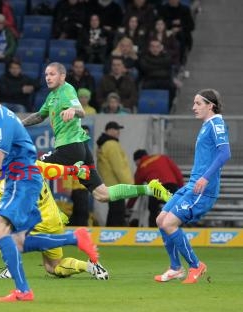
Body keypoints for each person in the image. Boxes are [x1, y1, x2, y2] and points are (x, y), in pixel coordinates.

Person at [0, 75, 98, 302]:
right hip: (19, 180)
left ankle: (25, 289)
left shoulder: (0, 121)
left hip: (22, 180)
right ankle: (73, 240)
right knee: (16, 241)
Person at [21, 62, 170, 207]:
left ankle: (48, 216)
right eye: (46, 74)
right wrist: (19, 124)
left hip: (70, 147)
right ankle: (149, 188)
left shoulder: (66, 90)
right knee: (102, 194)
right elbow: (40, 116)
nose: (48, 77)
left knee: (34, 170)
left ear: (62, 76)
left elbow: (81, 111)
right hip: (81, 148)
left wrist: (73, 111)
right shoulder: (51, 97)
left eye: (52, 74)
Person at [0, 160, 109, 280]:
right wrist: (76, 170)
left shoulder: (9, 185)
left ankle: (11, 267)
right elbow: (59, 169)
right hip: (54, 222)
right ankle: (90, 266)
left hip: (36, 225)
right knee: (54, 268)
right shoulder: (36, 165)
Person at [155, 89, 230, 284]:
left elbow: (225, 153)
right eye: (194, 103)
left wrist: (205, 178)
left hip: (203, 189)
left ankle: (196, 265)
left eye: (198, 103)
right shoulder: (207, 125)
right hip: (192, 185)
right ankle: (175, 268)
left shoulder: (217, 124)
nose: (193, 107)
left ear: (210, 105)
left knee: (170, 224)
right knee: (161, 219)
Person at [130, 149, 184, 227]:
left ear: (138, 160)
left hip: (156, 188)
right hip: (171, 185)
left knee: (153, 209)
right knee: (175, 208)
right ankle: (178, 228)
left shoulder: (141, 167)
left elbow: (136, 190)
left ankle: (153, 230)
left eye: (136, 163)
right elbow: (177, 173)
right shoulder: (162, 157)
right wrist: (182, 189)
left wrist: (129, 206)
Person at [96, 121, 134, 226]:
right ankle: (115, 236)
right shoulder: (112, 145)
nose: (118, 132)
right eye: (116, 130)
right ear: (110, 131)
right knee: (118, 212)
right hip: (117, 184)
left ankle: (109, 234)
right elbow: (119, 167)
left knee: (113, 211)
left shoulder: (102, 145)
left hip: (109, 183)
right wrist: (128, 184)